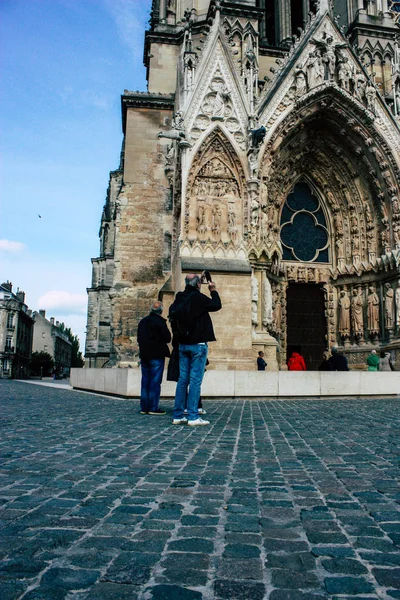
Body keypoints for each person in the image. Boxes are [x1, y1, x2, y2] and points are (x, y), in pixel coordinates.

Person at [170, 272, 222, 426]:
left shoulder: (180, 297)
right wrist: (212, 289)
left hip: (182, 344)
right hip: (198, 345)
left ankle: (178, 415)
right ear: (198, 285)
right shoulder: (198, 298)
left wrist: (197, 279)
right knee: (195, 381)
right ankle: (193, 416)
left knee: (182, 381)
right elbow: (216, 305)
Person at [137, 300, 171, 415]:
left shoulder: (142, 322)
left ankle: (144, 407)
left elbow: (139, 339)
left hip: (144, 354)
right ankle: (153, 407)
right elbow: (167, 338)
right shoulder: (160, 322)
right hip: (156, 355)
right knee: (155, 382)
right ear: (160, 311)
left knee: (145, 381)